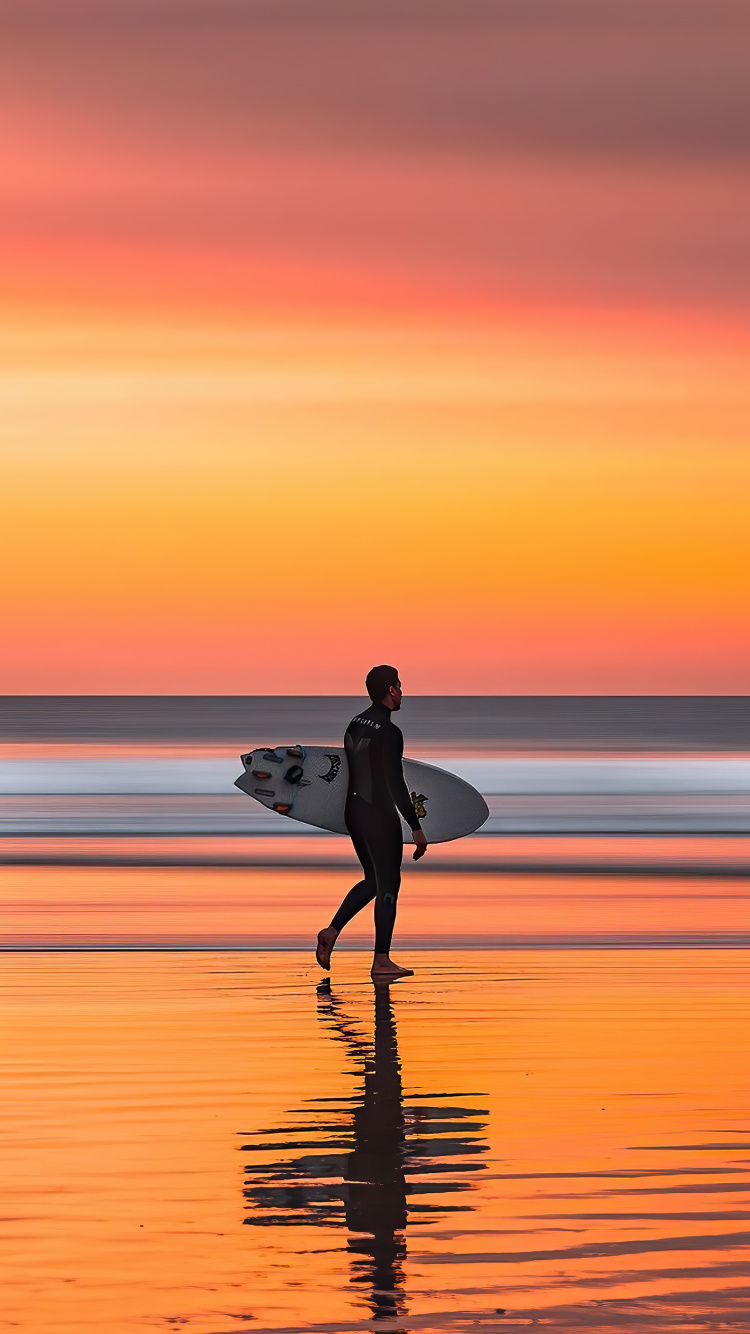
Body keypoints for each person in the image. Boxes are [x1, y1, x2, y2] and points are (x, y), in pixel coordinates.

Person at [316, 665, 427, 980]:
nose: (402, 693)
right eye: (400, 687)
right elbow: (395, 782)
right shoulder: (391, 732)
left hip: (354, 812)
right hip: (379, 814)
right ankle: (381, 960)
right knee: (390, 882)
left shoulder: (354, 723)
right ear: (391, 690)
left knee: (374, 881)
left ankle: (331, 932)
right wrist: (416, 827)